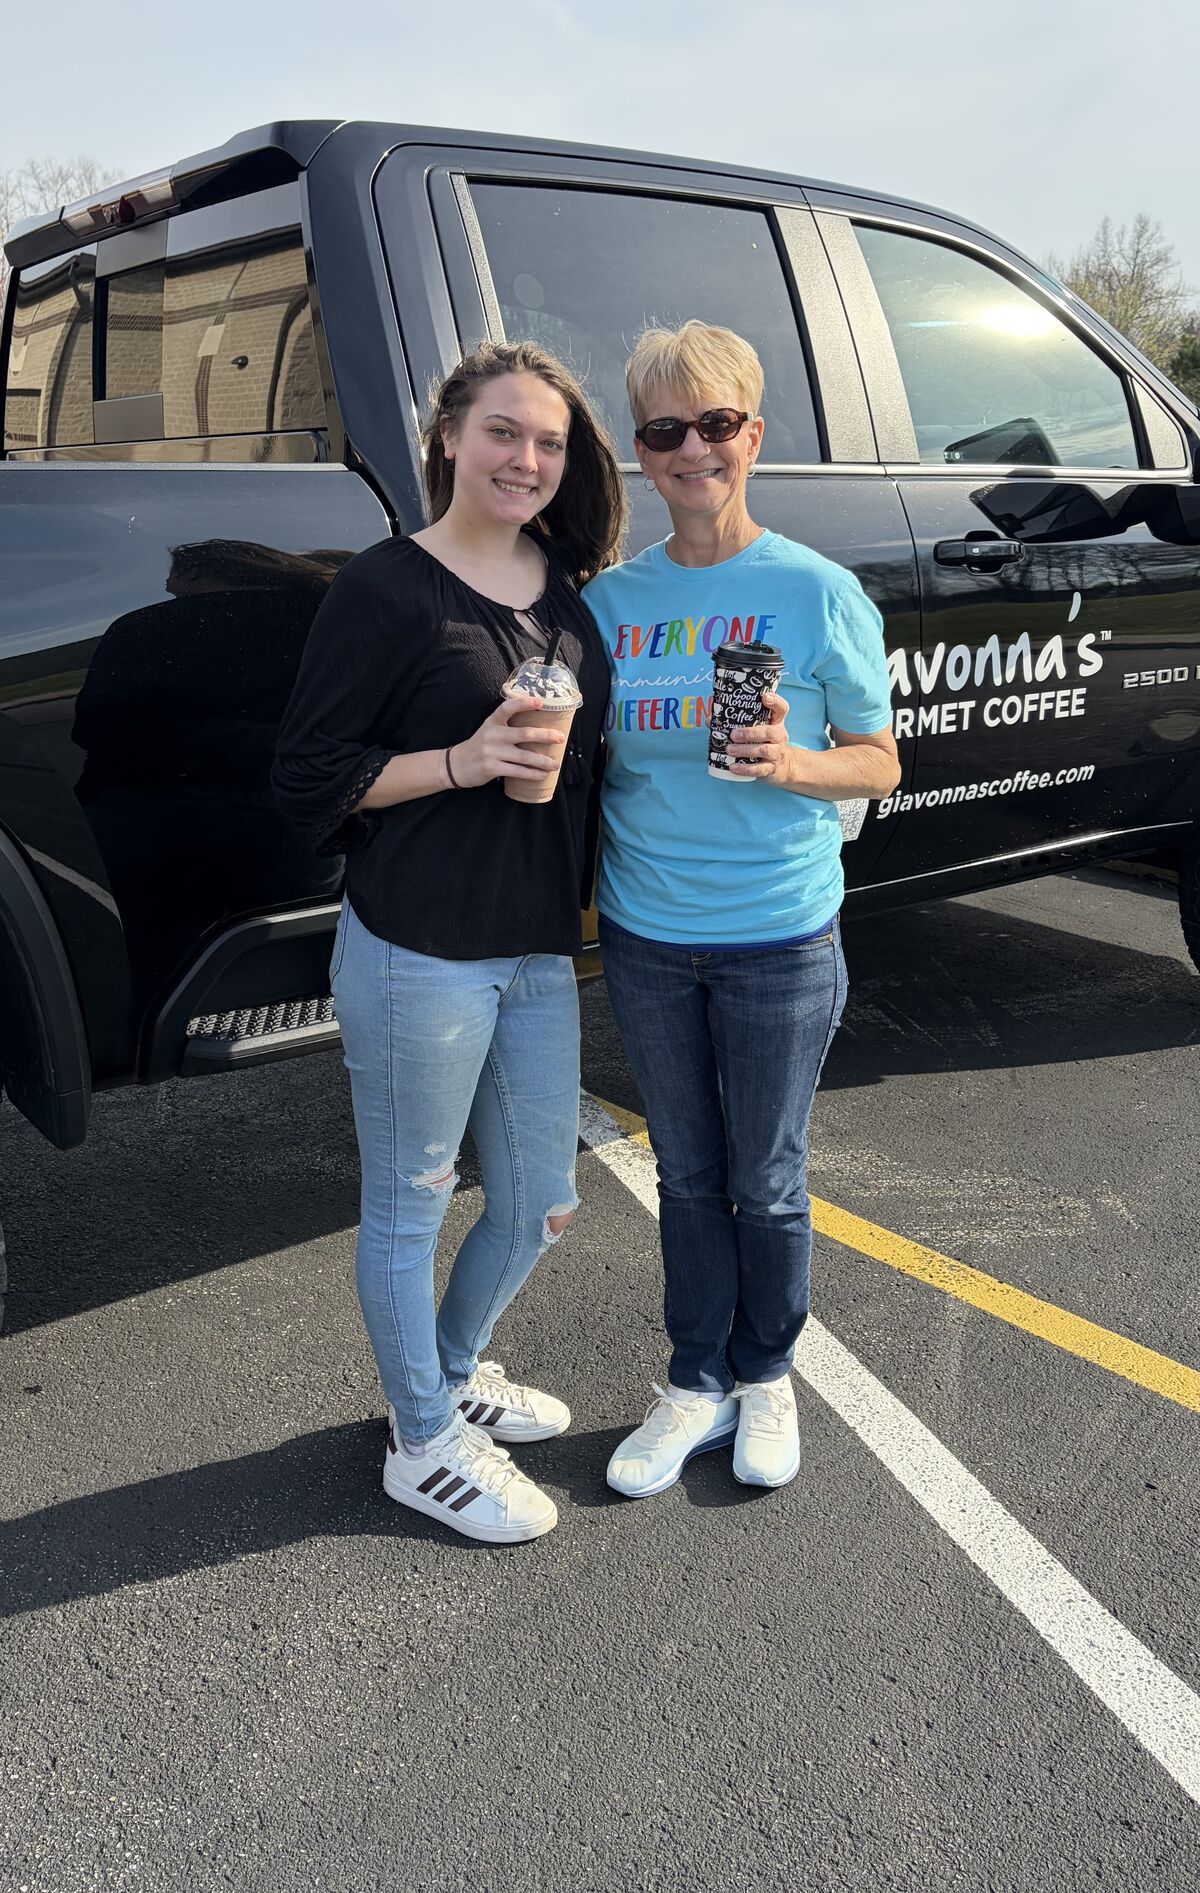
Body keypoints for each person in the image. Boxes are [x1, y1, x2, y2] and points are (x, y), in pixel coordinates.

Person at [273, 342, 624, 1544]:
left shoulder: (564, 584)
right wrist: (465, 761)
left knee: (536, 1203)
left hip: (534, 945)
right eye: (503, 433)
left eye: (550, 441)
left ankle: (451, 1369)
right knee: (411, 1200)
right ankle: (421, 1443)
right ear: (449, 439)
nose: (527, 458)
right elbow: (305, 782)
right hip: (415, 947)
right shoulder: (386, 587)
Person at [582, 321, 900, 1499]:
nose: (692, 449)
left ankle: (766, 1372)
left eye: (714, 424)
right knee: (683, 1174)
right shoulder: (612, 604)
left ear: (752, 436)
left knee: (764, 1178)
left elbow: (880, 761)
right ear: (641, 453)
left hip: (778, 937)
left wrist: (795, 763)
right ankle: (693, 1380)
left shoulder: (817, 592)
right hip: (651, 938)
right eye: (666, 430)